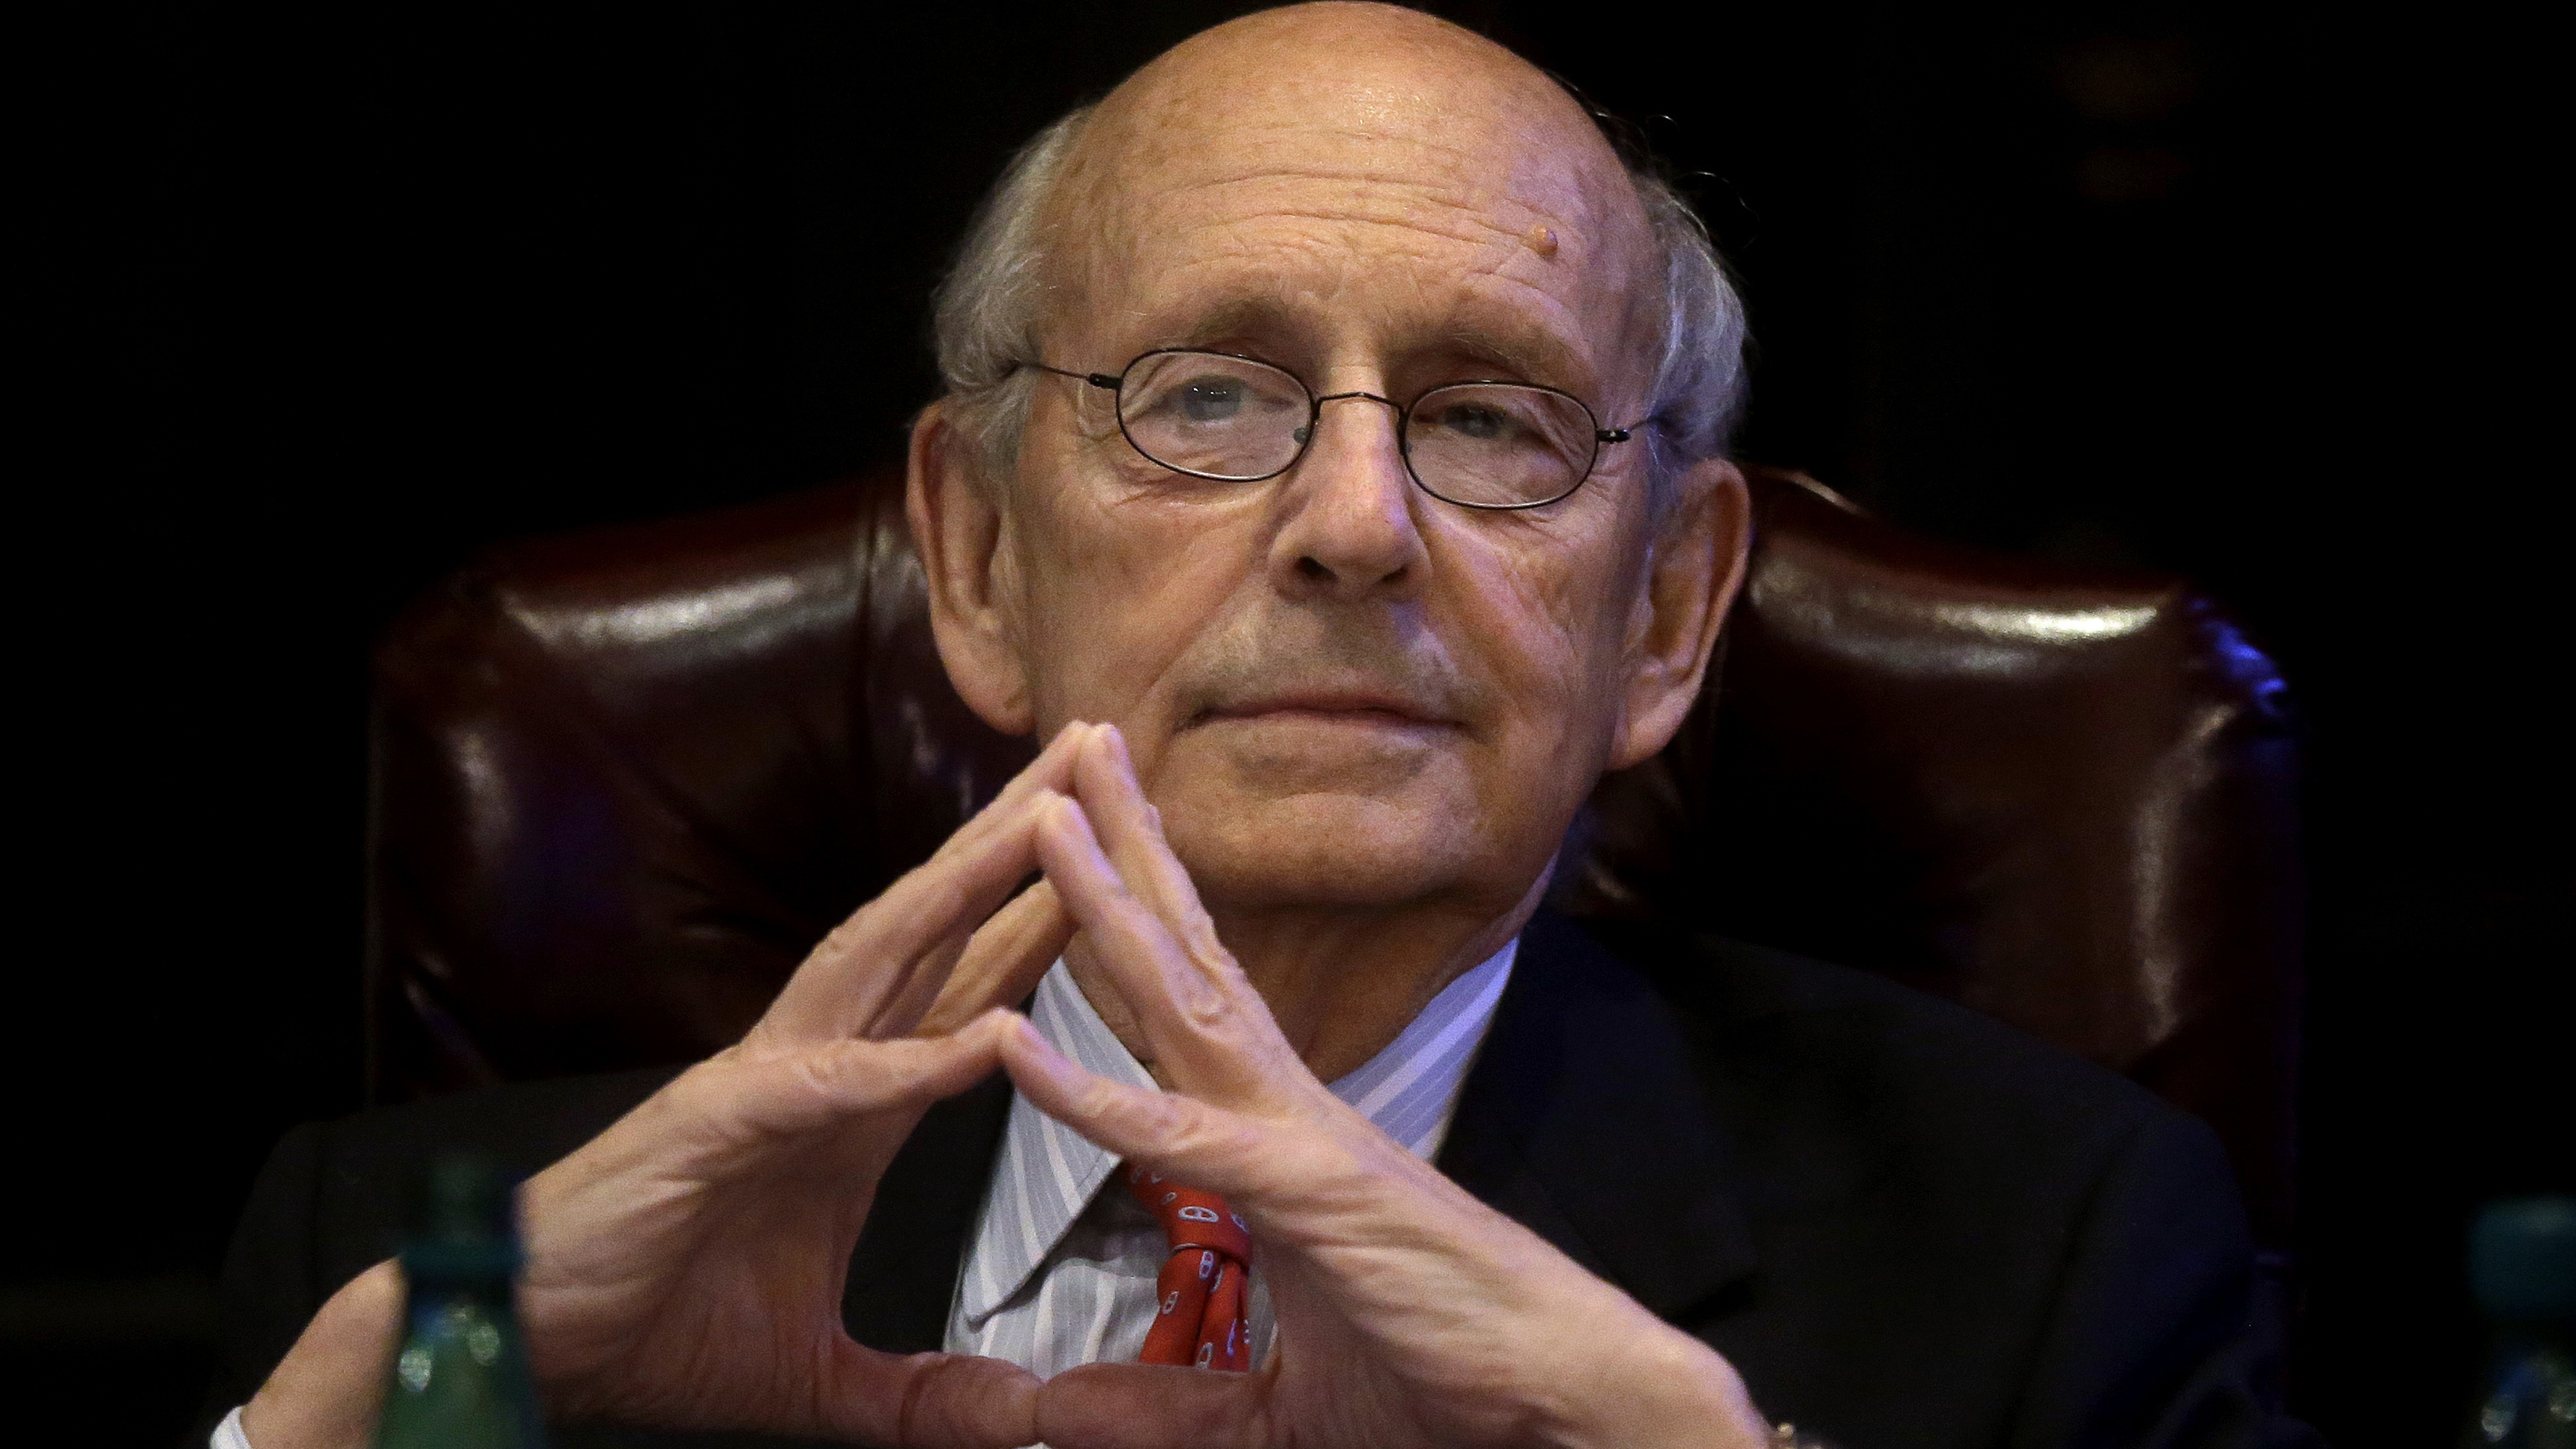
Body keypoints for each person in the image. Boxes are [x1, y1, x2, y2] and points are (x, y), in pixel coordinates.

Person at [207, 6, 2312, 1447]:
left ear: (1664, 608)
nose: (1353, 523)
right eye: (1207, 398)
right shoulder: (428, 1277)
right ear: (975, 558)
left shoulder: (2050, 1258)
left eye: (1490, 417)